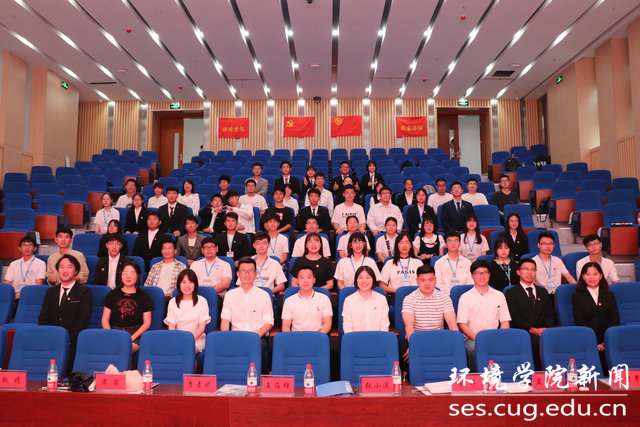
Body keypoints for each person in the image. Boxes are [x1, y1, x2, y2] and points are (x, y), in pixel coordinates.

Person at [38, 254, 92, 374]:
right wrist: (47, 336)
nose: (65, 270)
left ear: (76, 271)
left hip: (73, 342)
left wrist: (69, 339)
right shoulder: (51, 292)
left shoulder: (84, 292)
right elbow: (43, 317)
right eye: (61, 267)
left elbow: (83, 319)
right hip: (52, 340)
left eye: (69, 267)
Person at [457, 260, 511, 372]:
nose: (482, 276)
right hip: (473, 338)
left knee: (505, 347)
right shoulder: (465, 297)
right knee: (473, 348)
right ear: (472, 276)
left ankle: (499, 377)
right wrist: (478, 339)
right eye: (477, 273)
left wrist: (500, 338)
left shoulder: (499, 295)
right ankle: (477, 377)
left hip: (495, 337)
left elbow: (505, 321)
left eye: (485, 272)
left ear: (489, 274)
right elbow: (462, 324)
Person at [220, 257, 273, 370]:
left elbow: (269, 322)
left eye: (250, 271)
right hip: (236, 336)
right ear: (238, 274)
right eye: (243, 271)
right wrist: (225, 338)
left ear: (256, 273)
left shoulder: (264, 295)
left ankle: (255, 378)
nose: (247, 274)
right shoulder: (230, 295)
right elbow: (225, 319)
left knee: (259, 346)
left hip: (257, 336)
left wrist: (257, 335)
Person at [401, 264, 458, 366]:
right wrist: (414, 346)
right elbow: (409, 326)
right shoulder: (409, 299)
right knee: (406, 354)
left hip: (439, 338)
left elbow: (451, 323)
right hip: (416, 337)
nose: (427, 284)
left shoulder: (444, 298)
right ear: (417, 281)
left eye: (431, 280)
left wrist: (456, 344)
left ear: (435, 280)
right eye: (423, 280)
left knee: (458, 352)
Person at [506, 258, 556, 370]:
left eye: (533, 270)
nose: (529, 273)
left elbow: (550, 314)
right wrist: (532, 329)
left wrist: (549, 330)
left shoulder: (543, 291)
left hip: (544, 331)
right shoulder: (511, 293)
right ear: (518, 272)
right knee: (536, 342)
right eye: (526, 269)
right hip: (524, 331)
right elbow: (515, 317)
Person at [572, 262, 620, 371]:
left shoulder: (609, 295)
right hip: (588, 339)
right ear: (583, 276)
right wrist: (596, 342)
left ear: (601, 276)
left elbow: (614, 319)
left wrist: (605, 341)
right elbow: (580, 321)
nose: (591, 278)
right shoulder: (577, 296)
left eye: (595, 274)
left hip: (608, 340)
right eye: (588, 274)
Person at [101, 260, 154, 353]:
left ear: (138, 276)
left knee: (123, 350)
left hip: (136, 333)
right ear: (121, 276)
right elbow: (105, 319)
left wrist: (132, 337)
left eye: (132, 273)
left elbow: (147, 323)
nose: (128, 276)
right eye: (125, 273)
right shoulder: (112, 294)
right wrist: (110, 335)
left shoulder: (144, 296)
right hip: (114, 331)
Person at [165, 269, 211, 353]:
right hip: (177, 340)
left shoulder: (202, 301)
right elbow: (171, 327)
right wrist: (177, 340)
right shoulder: (172, 302)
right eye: (184, 282)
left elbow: (202, 328)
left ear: (195, 284)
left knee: (187, 351)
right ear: (179, 284)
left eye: (190, 282)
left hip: (196, 340)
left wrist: (188, 340)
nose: (187, 286)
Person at [281, 266, 332, 333]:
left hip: (317, 336)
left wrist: (318, 337)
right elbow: (285, 326)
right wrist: (292, 338)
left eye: (309, 277)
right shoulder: (289, 301)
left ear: (314, 280)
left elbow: (327, 324)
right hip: (296, 336)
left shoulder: (324, 299)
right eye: (302, 278)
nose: (305, 281)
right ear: (297, 281)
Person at [342, 265, 390, 333]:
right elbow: (347, 327)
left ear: (373, 280)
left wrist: (380, 338)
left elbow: (384, 326)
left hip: (377, 338)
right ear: (356, 280)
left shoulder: (381, 299)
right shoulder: (349, 301)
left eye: (368, 277)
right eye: (360, 278)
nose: (364, 281)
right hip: (355, 338)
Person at [380, 233, 422, 299]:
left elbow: (424, 282)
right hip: (396, 296)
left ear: (411, 245)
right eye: (401, 243)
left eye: (407, 243)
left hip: (416, 297)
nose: (404, 246)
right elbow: (381, 285)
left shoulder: (418, 262)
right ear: (397, 245)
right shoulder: (390, 263)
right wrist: (399, 291)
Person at [5, 236, 46, 300]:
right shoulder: (13, 264)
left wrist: (24, 296)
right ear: (20, 248)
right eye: (24, 245)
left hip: (31, 297)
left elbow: (38, 286)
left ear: (35, 248)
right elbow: (8, 283)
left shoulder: (40, 263)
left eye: (30, 245)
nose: (27, 248)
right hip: (14, 297)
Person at [433, 231, 473, 295]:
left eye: (456, 241)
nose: (453, 244)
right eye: (450, 241)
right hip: (445, 295)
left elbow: (470, 281)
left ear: (459, 243)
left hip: (465, 295)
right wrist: (452, 293)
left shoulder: (467, 262)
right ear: (446, 244)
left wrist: (461, 292)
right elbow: (438, 283)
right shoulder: (439, 263)